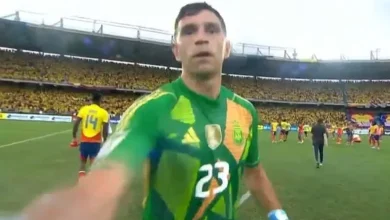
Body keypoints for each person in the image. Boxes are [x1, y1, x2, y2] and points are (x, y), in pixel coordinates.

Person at [17, 3, 289, 220]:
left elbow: (253, 172)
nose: (201, 38)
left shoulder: (245, 111)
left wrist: (278, 214)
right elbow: (109, 175)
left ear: (226, 47)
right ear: (176, 50)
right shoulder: (151, 110)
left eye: (212, 30)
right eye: (189, 31)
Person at [70, 93, 109, 179]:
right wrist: (105, 141)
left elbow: (76, 123)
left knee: (82, 163)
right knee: (93, 165)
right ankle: (92, 184)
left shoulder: (84, 109)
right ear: (100, 101)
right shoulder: (104, 113)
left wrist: (74, 137)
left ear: (91, 100)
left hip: (84, 141)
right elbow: (105, 130)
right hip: (95, 142)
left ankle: (81, 182)